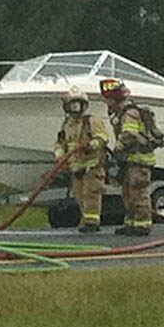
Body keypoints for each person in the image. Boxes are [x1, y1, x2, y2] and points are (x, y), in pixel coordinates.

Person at [99, 78, 156, 236]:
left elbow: (129, 134)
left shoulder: (130, 112)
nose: (107, 103)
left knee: (138, 192)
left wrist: (117, 149)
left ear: (116, 98)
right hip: (130, 160)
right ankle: (132, 223)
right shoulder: (122, 112)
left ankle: (143, 225)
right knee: (128, 192)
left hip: (139, 160)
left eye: (108, 99)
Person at [53, 86, 109, 233]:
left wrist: (92, 145)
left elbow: (103, 138)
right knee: (79, 194)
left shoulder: (92, 121)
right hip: (76, 168)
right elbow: (60, 143)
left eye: (78, 104)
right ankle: (86, 219)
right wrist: (60, 156)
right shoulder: (67, 125)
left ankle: (92, 222)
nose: (75, 107)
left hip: (92, 166)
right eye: (72, 104)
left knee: (91, 193)